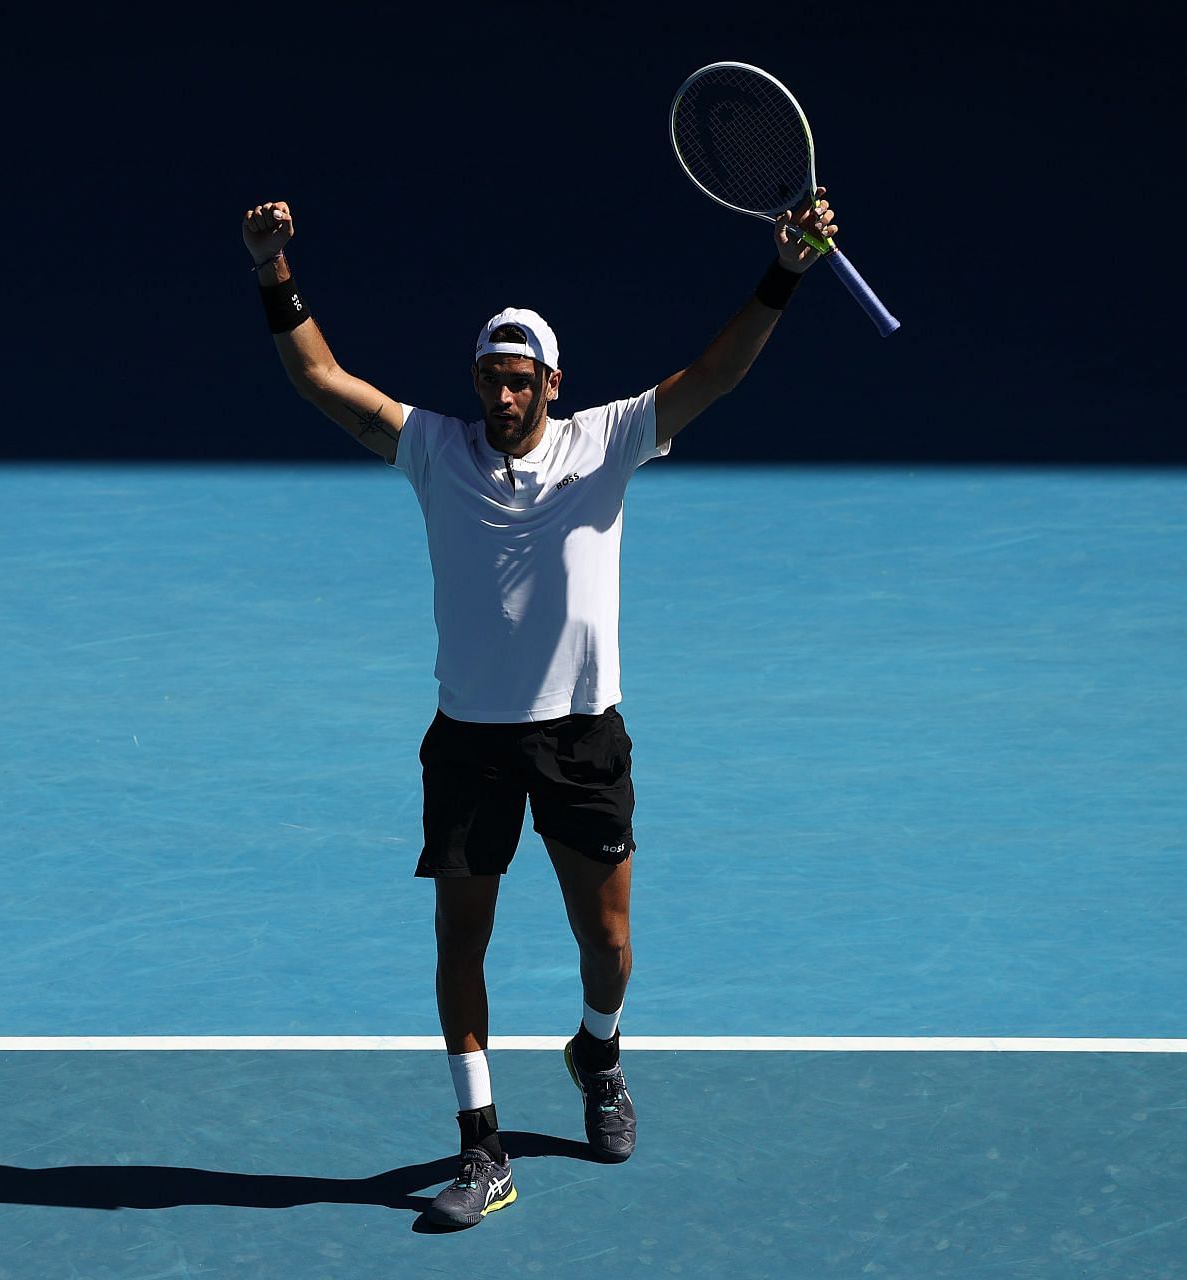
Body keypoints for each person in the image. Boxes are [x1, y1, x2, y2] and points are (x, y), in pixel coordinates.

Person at [241, 191, 842, 1228]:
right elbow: (320, 378)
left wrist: (784, 271)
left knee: (606, 940)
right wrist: (271, 271)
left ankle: (596, 1053)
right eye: (490, 377)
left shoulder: (607, 442)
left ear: (552, 385)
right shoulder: (433, 448)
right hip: (469, 738)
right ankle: (484, 1147)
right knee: (458, 944)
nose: (504, 395)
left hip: (580, 735)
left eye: (521, 380)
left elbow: (716, 373)